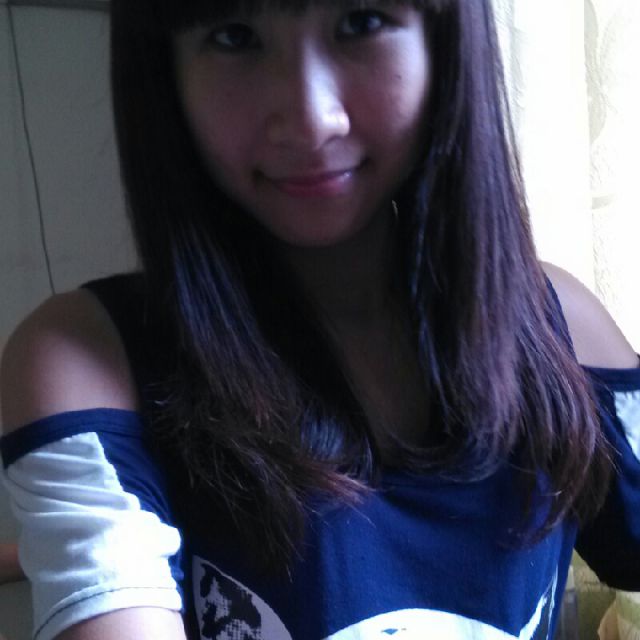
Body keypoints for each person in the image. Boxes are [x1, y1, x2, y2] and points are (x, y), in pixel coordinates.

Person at [1, 0, 639, 639]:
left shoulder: (561, 326)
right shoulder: (88, 364)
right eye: (234, 35)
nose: (311, 121)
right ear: (165, 71)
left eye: (361, 22)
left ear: (444, 39)